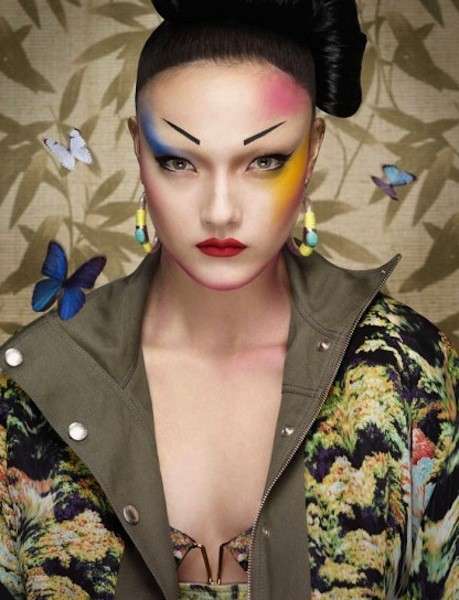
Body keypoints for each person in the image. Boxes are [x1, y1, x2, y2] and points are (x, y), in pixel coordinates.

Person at [0, 1, 457, 599]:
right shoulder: (35, 390)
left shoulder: (405, 371)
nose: (219, 210)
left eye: (265, 161)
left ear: (314, 148)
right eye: (178, 161)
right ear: (138, 149)